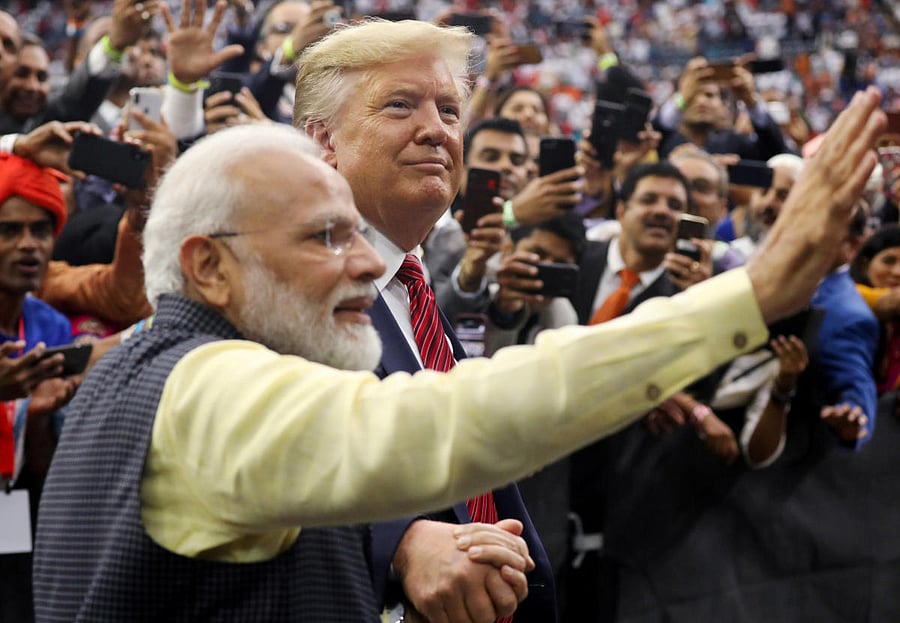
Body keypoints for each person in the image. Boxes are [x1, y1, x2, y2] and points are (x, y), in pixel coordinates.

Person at [293, 17, 885, 622]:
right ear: (325, 139)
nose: (434, 130)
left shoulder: (411, 289)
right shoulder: (283, 287)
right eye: (399, 106)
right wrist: (400, 544)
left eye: (449, 110)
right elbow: (265, 461)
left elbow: (491, 410)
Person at [850, 224, 900, 393]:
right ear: (865, 264)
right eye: (889, 261)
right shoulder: (849, 294)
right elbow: (887, 303)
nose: (897, 272)